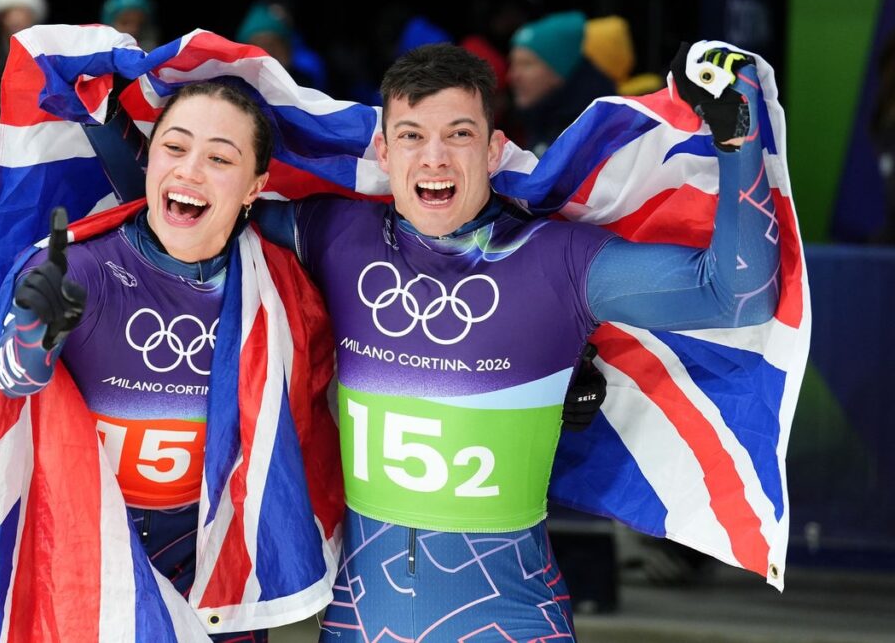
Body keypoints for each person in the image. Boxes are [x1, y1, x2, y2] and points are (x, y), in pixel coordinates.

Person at [252, 42, 779, 641]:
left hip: (513, 623)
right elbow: (200, 214)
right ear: (381, 151)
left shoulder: (559, 263)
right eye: (410, 136)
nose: (435, 159)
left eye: (459, 135)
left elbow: (738, 296)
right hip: (358, 624)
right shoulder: (331, 233)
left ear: (495, 148)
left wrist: (738, 131)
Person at [0, 81, 323, 642]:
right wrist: (33, 333)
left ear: (255, 187)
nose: (191, 170)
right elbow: (11, 385)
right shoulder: (82, 266)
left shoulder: (279, 279)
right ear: (149, 160)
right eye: (174, 147)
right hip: (88, 564)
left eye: (220, 158)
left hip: (213, 573)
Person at [507, 11, 616, 155]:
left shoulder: (595, 135)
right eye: (513, 64)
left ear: (560, 70)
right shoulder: (541, 121)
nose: (513, 76)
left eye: (526, 64)